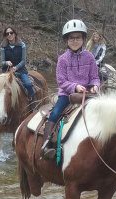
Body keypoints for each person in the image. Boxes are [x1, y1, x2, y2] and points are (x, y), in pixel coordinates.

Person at [41, 19, 100, 160]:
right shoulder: (62, 59)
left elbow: (94, 77)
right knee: (55, 113)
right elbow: (61, 81)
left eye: (78, 37)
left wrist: (95, 85)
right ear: (66, 40)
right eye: (71, 38)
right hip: (67, 95)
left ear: (83, 39)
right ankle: (46, 145)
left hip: (88, 94)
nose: (75, 41)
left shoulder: (90, 57)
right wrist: (75, 87)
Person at [0, 26, 35, 106]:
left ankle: (33, 101)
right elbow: (2, 61)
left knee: (28, 84)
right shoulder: (3, 46)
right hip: (7, 71)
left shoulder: (22, 45)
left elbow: (23, 61)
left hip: (20, 70)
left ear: (15, 34)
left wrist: (16, 68)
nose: (9, 35)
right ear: (5, 35)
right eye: (7, 33)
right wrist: (6, 62)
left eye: (11, 33)